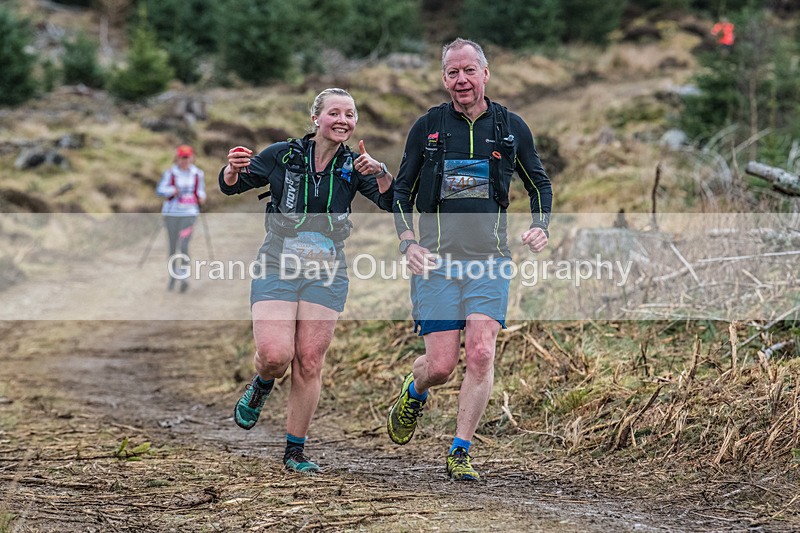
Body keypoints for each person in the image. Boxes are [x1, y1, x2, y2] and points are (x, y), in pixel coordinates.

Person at [387, 38, 552, 481]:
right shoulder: (429, 126)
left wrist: (542, 225)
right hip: (437, 262)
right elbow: (400, 190)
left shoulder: (511, 126)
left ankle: (460, 451)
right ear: (444, 79)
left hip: (490, 261)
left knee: (480, 352)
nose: (461, 79)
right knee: (440, 366)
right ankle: (414, 389)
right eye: (453, 72)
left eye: (469, 70)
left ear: (485, 74)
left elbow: (539, 184)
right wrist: (408, 242)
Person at [220, 88, 394, 473]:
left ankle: (294, 451)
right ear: (316, 118)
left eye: (350, 114)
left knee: (310, 361)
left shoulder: (354, 165)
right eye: (334, 113)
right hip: (277, 264)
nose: (343, 120)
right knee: (275, 355)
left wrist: (380, 172)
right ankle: (263, 382)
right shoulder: (283, 154)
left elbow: (390, 200)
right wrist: (232, 167)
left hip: (327, 270)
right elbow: (232, 184)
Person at [156, 144, 206, 292]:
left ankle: (184, 277)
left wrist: (202, 198)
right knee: (172, 247)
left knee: (183, 245)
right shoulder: (170, 173)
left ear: (191, 158)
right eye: (182, 157)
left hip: (189, 214)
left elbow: (201, 191)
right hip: (171, 214)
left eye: (187, 157)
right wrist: (172, 190)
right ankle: (173, 277)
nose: (185, 160)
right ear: (177, 158)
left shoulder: (198, 174)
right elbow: (160, 190)